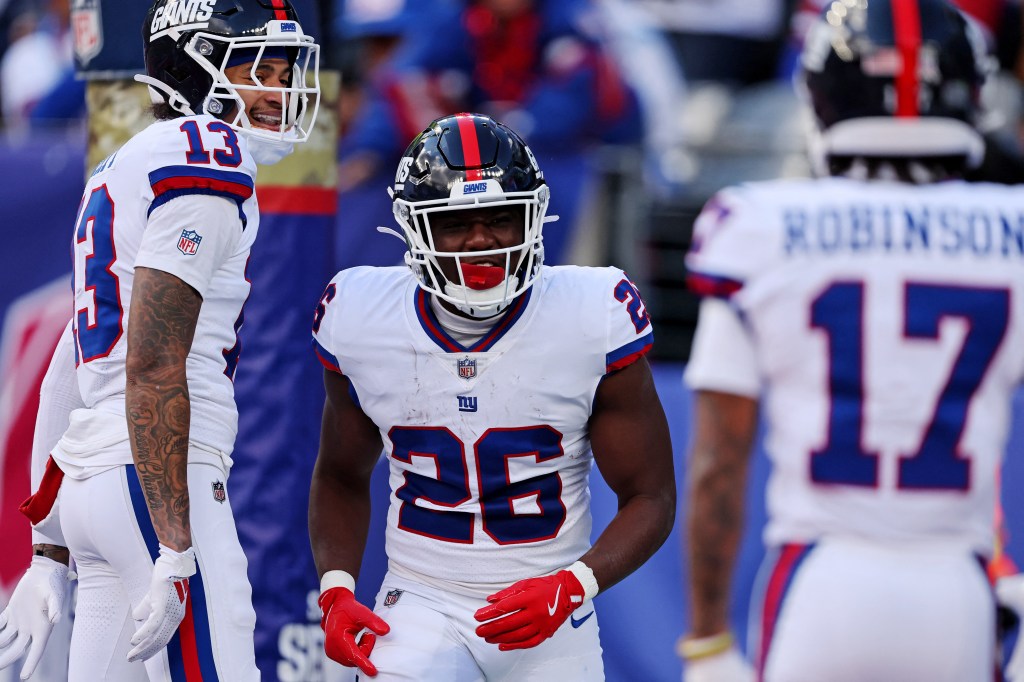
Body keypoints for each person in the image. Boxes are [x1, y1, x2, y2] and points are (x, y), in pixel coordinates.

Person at [678, 1, 1024, 681]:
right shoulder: (1009, 231)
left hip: (820, 579)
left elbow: (719, 461)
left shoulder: (760, 225)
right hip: (956, 582)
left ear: (821, 96)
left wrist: (707, 641)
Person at [0, 0, 320, 679]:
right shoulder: (207, 155)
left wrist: (49, 547)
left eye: (284, 68)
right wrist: (177, 545)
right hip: (157, 482)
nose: (279, 88)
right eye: (258, 67)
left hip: (94, 487)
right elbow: (150, 358)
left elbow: (69, 373)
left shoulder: (122, 166)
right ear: (192, 69)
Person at [309, 112, 676, 680]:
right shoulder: (361, 315)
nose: (481, 240)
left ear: (533, 215)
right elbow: (338, 474)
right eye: (456, 222)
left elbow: (650, 497)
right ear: (415, 230)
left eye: (501, 218)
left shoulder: (591, 313)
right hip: (419, 599)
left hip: (549, 607)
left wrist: (572, 584)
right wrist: (335, 589)